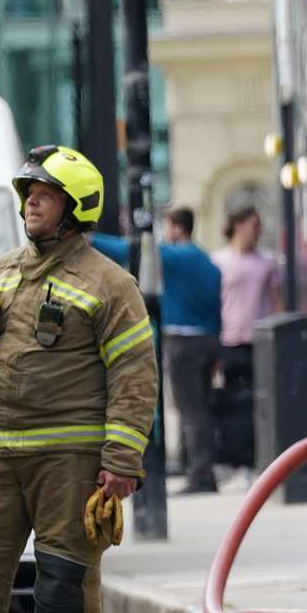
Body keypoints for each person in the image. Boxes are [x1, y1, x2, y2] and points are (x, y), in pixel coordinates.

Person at [0, 145, 158, 613]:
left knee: (62, 597)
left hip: (70, 465)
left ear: (76, 208)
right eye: (29, 193)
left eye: (45, 195)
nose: (31, 202)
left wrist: (122, 460)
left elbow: (134, 376)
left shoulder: (110, 286)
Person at [91, 207, 223, 492]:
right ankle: (197, 468)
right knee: (199, 408)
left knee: (190, 409)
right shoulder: (206, 260)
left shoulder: (177, 256)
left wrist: (88, 239)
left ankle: (200, 475)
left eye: (168, 226)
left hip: (182, 341)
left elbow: (130, 250)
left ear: (176, 228)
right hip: (208, 340)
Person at [212, 206, 282, 469]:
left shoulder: (267, 261)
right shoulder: (218, 261)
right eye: (255, 226)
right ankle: (235, 457)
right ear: (239, 226)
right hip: (229, 341)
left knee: (260, 400)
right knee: (231, 401)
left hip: (259, 342)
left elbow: (277, 301)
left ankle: (257, 456)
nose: (259, 232)